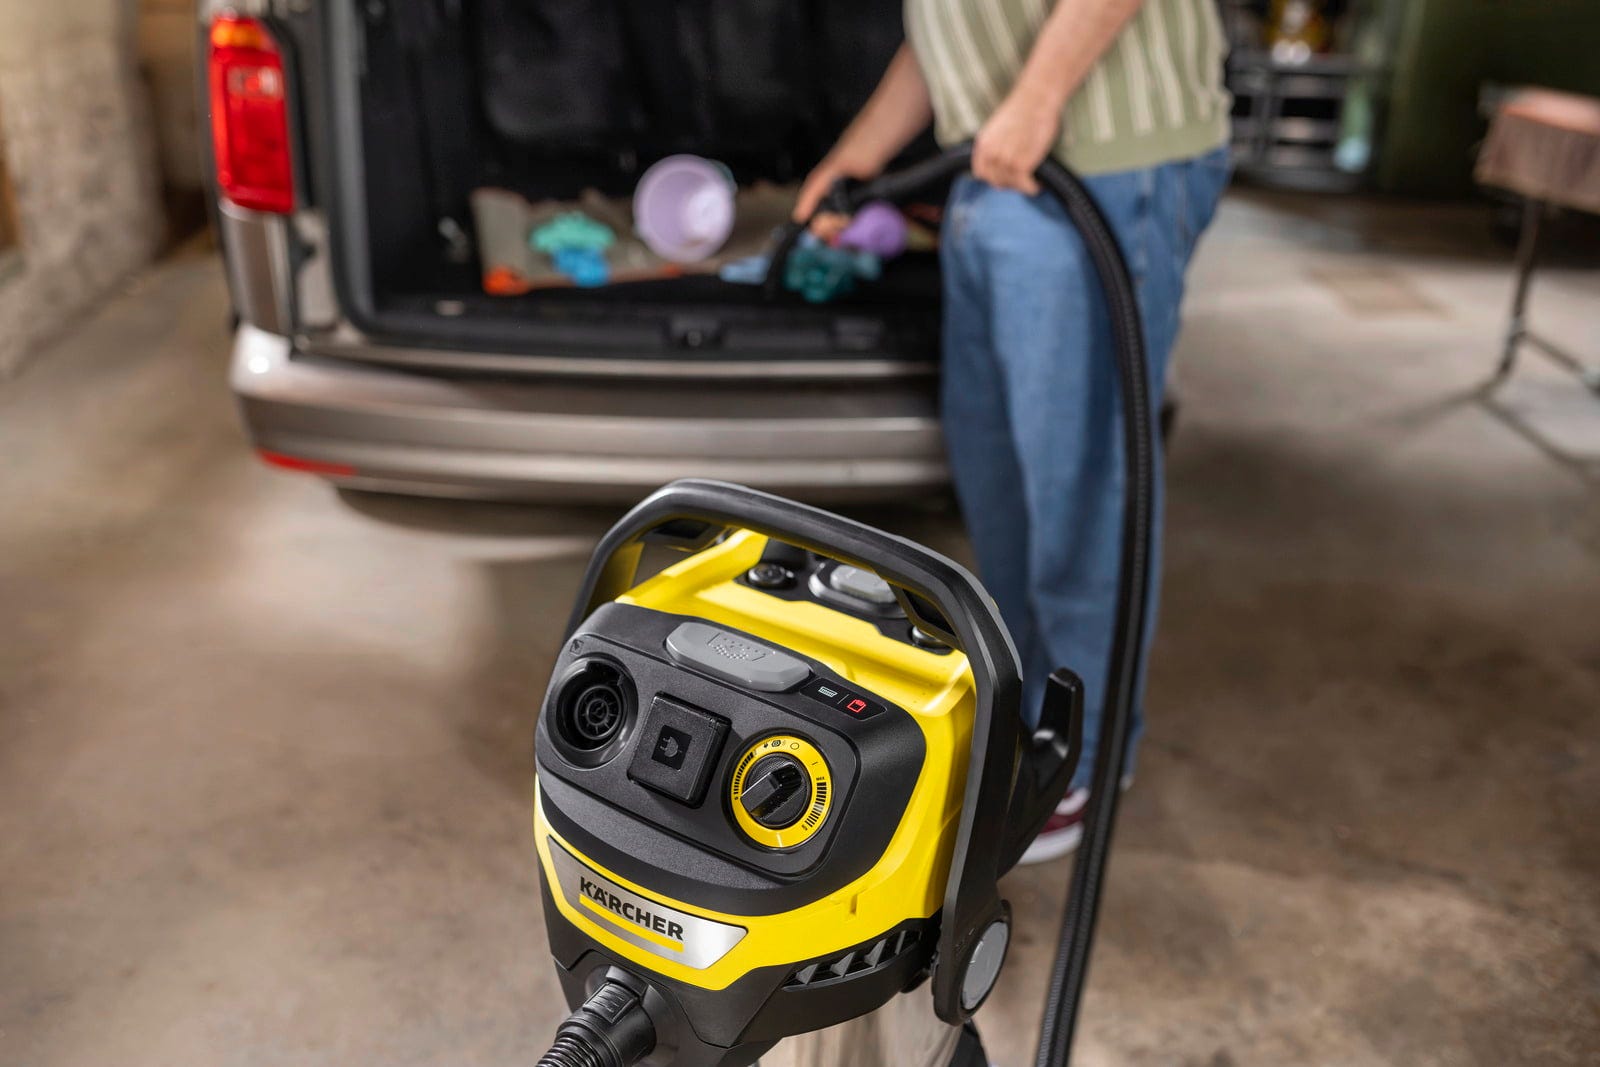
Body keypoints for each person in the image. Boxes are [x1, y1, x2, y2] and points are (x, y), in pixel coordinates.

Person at [796, 0, 1231, 862]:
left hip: (1101, 157)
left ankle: (1081, 760)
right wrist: (858, 156)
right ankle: (1024, 721)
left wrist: (1037, 99)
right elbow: (948, 23)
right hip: (997, 165)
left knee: (1081, 489)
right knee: (999, 480)